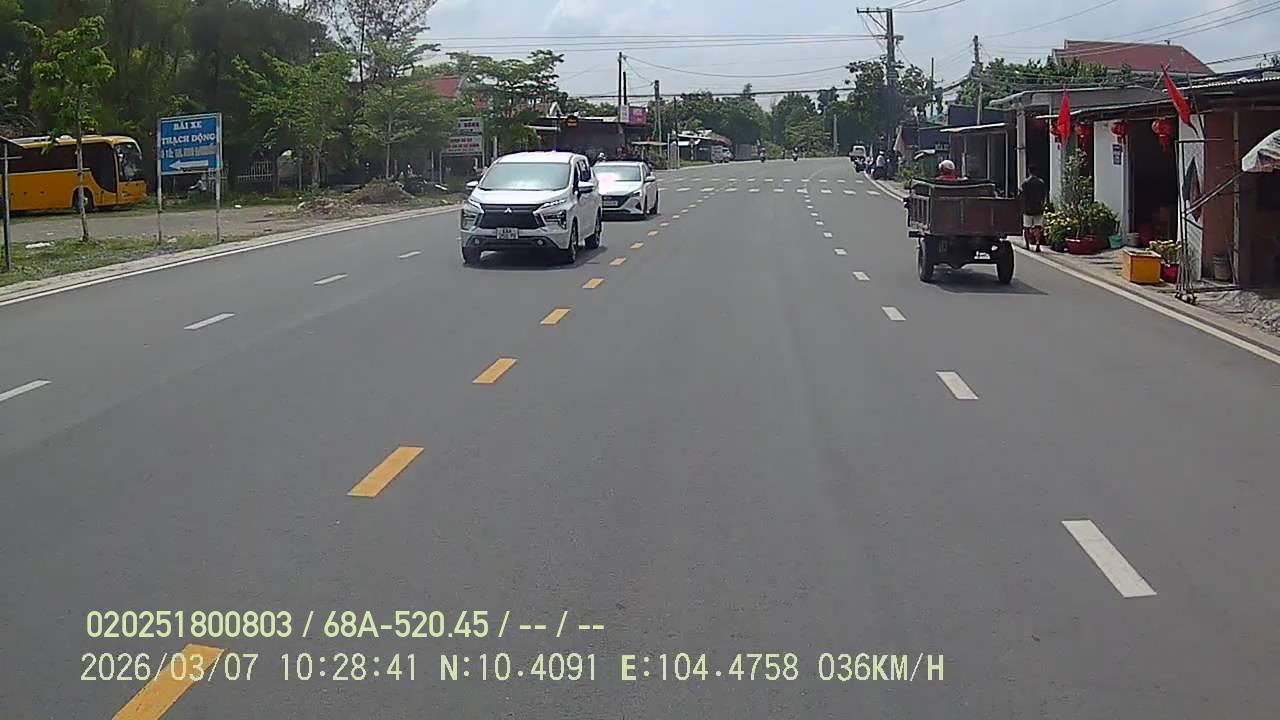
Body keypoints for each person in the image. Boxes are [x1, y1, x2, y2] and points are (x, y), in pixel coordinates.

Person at [1020, 170, 1048, 252]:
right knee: (1037, 227)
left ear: (1029, 172)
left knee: (1026, 228)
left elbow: (1022, 195)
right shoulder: (1041, 183)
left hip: (1028, 209)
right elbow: (1044, 195)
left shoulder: (1026, 183)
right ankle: (1037, 243)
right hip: (1038, 208)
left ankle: (1027, 244)